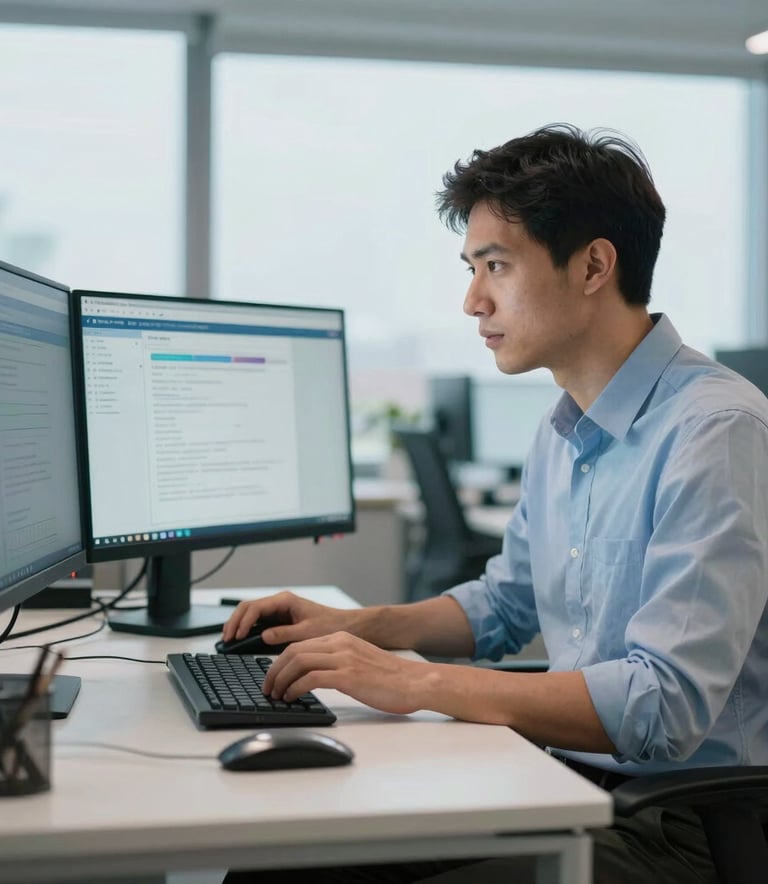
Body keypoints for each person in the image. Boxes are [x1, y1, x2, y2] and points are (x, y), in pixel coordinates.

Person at [221, 123, 768, 884]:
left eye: (496, 266)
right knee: (284, 866)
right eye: (473, 268)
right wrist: (358, 627)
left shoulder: (716, 430)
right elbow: (505, 605)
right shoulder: (564, 426)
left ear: (593, 266)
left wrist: (415, 683)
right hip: (559, 779)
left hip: (677, 824)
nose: (473, 300)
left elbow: (663, 706)